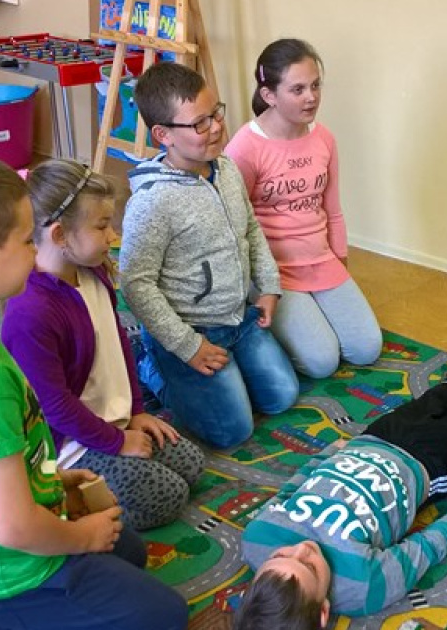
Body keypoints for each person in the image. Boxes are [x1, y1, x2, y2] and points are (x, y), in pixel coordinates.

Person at [0, 156, 188, 629]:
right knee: (164, 616)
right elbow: (13, 528)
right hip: (3, 569)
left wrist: (50, 485)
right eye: (27, 241)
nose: (35, 251)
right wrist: (79, 537)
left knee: (129, 550)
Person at [234, 303, 447, 624]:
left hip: (373, 440)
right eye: (309, 566)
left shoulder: (257, 539)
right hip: (428, 467)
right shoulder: (363, 587)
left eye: (281, 555)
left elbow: (290, 492)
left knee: (440, 396)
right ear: (322, 613)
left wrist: (323, 456)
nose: (302, 548)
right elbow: (425, 548)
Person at [0, 158, 205, 532]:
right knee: (167, 496)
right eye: (101, 226)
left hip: (113, 421)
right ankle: (63, 500)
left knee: (191, 465)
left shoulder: (92, 270)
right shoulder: (30, 312)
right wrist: (116, 441)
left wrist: (138, 412)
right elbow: (55, 407)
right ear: (60, 235)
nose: (113, 236)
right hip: (69, 446)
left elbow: (117, 344)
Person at [120, 62, 300, 450]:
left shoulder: (228, 169)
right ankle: (153, 368)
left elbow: (250, 227)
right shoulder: (152, 202)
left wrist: (268, 285)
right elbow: (135, 284)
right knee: (233, 431)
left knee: (281, 397)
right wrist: (187, 347)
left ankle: (221, 374)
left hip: (240, 318)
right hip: (192, 332)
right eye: (200, 124)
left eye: (215, 113)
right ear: (163, 135)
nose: (217, 127)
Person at [225, 38, 383, 379]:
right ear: (269, 95)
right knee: (322, 362)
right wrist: (257, 282)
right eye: (297, 89)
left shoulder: (324, 138)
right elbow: (234, 225)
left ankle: (309, 317)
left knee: (366, 348)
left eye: (315, 86)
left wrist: (339, 262)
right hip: (273, 272)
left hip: (320, 260)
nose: (310, 97)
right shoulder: (244, 147)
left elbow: (332, 208)